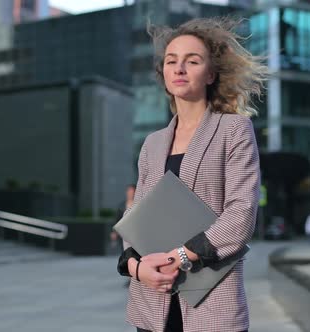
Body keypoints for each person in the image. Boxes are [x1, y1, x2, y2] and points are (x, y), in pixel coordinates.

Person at [116, 17, 267, 332]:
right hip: (152, 300)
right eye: (172, 61)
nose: (179, 68)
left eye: (192, 61)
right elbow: (137, 216)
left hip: (211, 300)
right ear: (165, 75)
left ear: (211, 74)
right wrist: (135, 266)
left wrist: (183, 255)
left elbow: (241, 212)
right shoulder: (153, 144)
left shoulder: (234, 130)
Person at [111, 185, 136, 251]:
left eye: (132, 192)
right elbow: (117, 219)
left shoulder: (138, 204)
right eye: (129, 192)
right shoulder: (121, 206)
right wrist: (114, 232)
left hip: (134, 232)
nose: (130, 194)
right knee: (124, 251)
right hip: (123, 233)